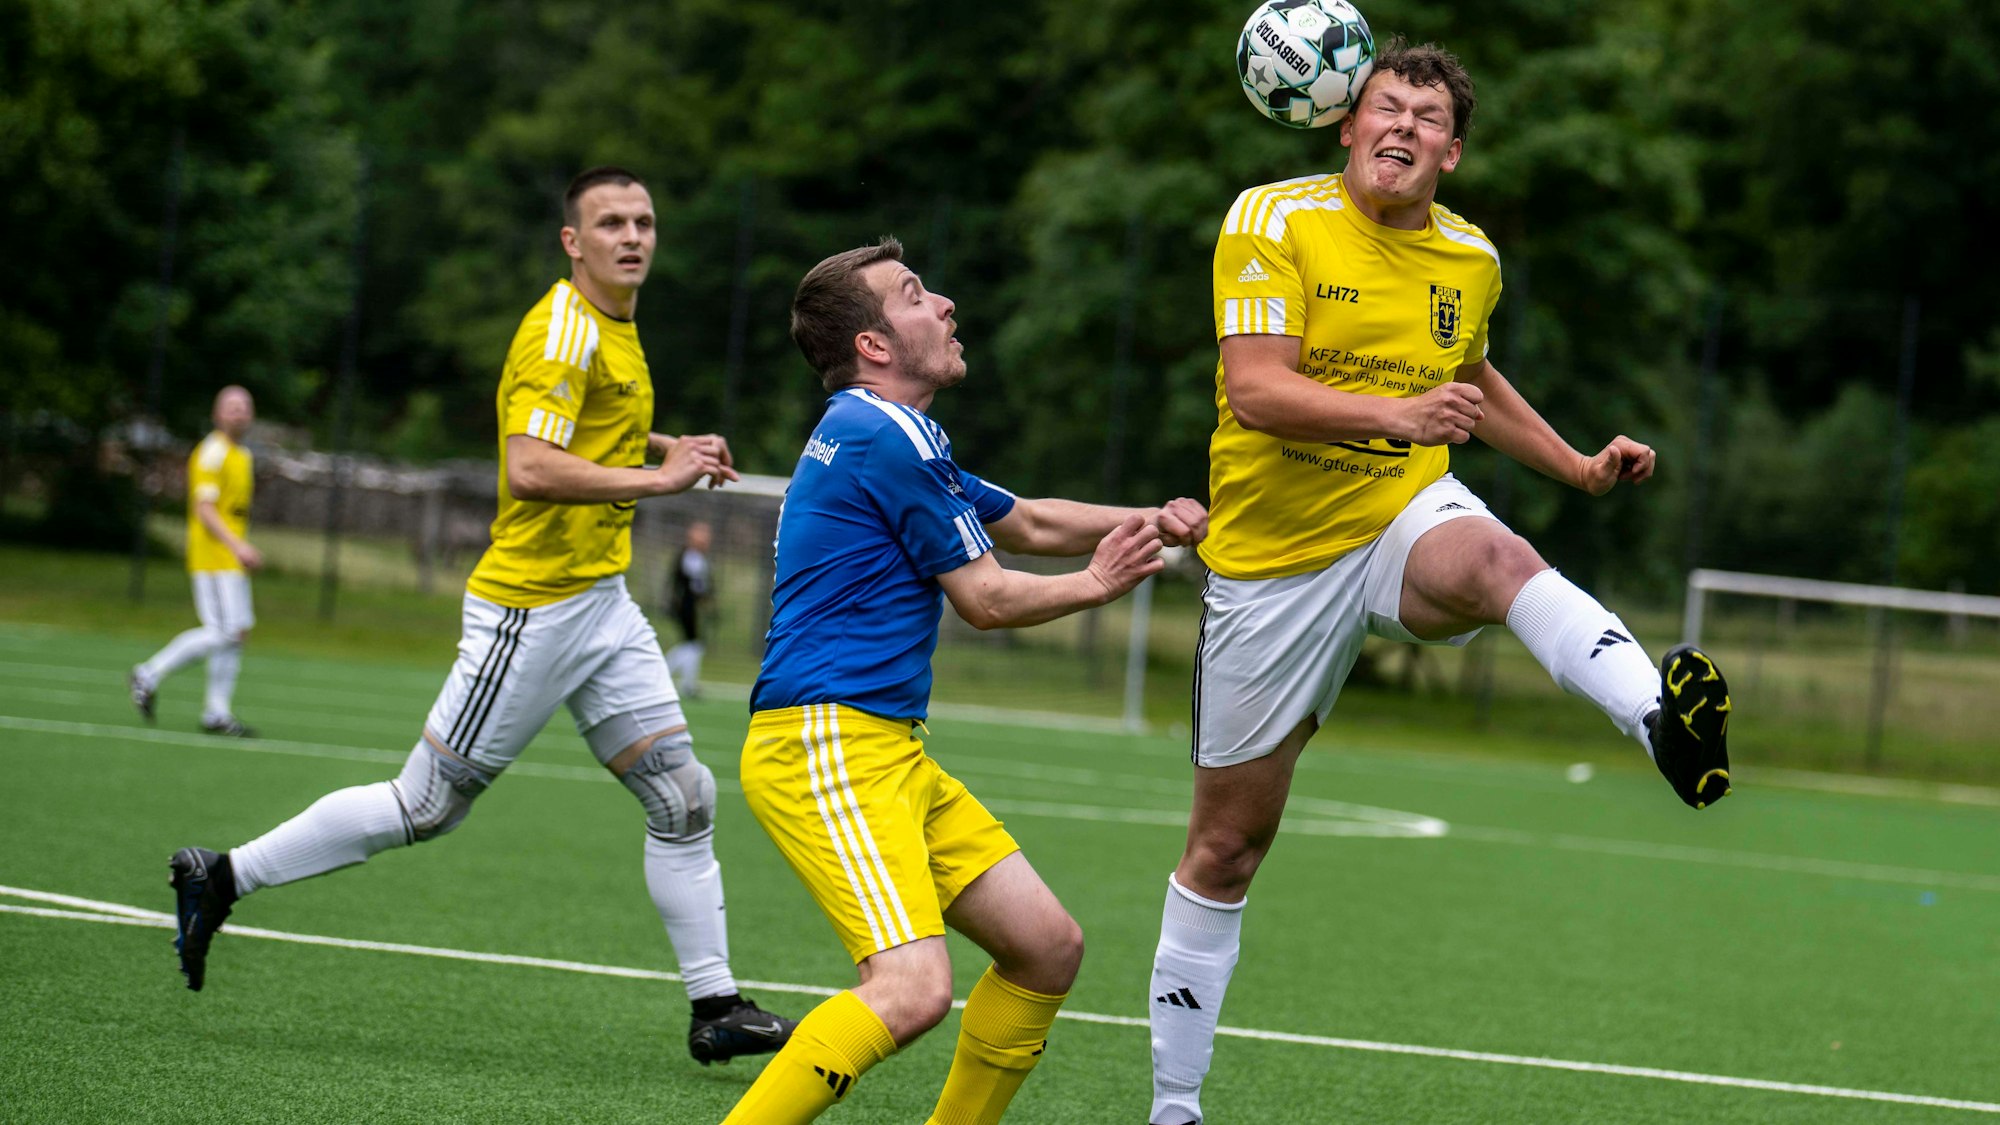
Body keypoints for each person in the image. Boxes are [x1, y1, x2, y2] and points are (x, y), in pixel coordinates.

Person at [1144, 41, 1735, 1124]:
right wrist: (1396, 415)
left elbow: (1465, 376)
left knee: (1497, 559)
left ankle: (1658, 722)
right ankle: (1174, 1109)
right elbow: (1257, 390)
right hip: (1273, 561)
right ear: (1343, 124)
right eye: (1384, 107)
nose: (1401, 127)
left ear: (1449, 154)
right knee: (1224, 849)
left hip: (1398, 513)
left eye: (1425, 118)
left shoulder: (1470, 259)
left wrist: (1571, 465)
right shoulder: (1268, 221)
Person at [165, 166, 797, 1065]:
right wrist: (660, 479)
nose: (633, 235)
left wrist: (667, 444)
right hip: (530, 611)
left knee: (682, 795)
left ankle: (716, 1005)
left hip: (602, 605)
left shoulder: (614, 326)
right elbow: (532, 465)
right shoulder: (565, 331)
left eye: (645, 220)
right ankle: (221, 876)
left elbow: (587, 427)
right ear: (572, 242)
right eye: (609, 222)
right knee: (426, 806)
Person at [718, 238, 1208, 1125]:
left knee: (1045, 947)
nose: (943, 303)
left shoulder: (887, 434)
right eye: (912, 294)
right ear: (872, 345)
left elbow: (1025, 518)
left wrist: (1160, 521)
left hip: (883, 748)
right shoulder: (883, 427)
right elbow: (984, 596)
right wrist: (1099, 582)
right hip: (825, 741)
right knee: (909, 989)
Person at [131, 386, 263, 737]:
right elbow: (204, 510)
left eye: (245, 407)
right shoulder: (211, 452)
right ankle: (149, 672)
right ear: (217, 414)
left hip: (229, 559)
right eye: (232, 407)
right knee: (225, 631)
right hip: (213, 558)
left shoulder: (242, 455)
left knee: (236, 634)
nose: (239, 413)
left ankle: (216, 713)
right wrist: (238, 546)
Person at [665, 520, 714, 697]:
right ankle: (667, 677)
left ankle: (686, 684)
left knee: (692, 645)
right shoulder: (688, 556)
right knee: (692, 644)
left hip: (691, 605)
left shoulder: (699, 557)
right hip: (685, 605)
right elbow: (690, 585)